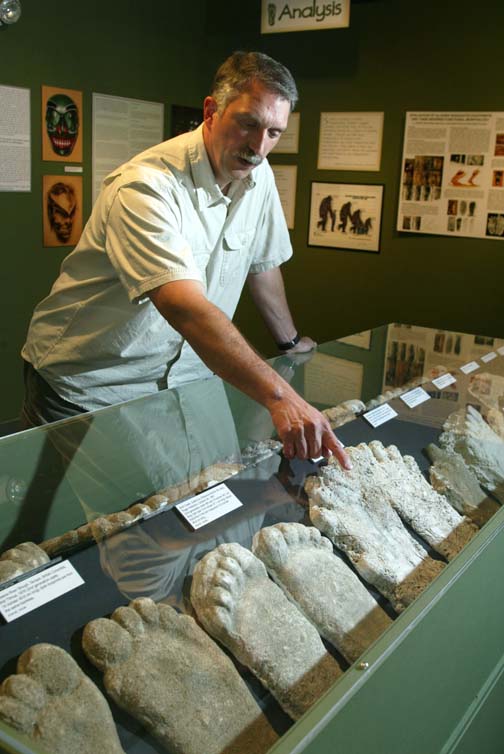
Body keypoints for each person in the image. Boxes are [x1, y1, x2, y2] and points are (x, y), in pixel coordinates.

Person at [22, 51, 350, 468]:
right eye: (248, 124)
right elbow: (185, 306)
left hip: (186, 375)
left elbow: (262, 266)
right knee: (125, 522)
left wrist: (289, 345)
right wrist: (280, 396)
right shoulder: (145, 188)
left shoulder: (257, 172)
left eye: (273, 132)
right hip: (93, 381)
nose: (258, 146)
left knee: (209, 490)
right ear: (211, 111)